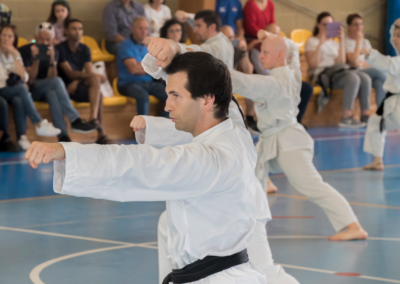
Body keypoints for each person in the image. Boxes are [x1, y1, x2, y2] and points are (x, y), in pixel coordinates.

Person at [25, 50, 267, 284]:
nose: (167, 106)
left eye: (176, 96)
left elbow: (139, 165)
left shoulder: (210, 160)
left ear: (206, 100)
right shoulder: (235, 131)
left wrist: (67, 152)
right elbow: (227, 96)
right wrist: (176, 51)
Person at [132, 39, 299, 283]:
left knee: (264, 268)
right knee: (168, 224)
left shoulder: (226, 111)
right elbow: (189, 128)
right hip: (216, 201)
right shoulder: (203, 109)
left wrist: (177, 50)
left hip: (240, 202)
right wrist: (152, 126)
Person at [230, 30, 368, 241]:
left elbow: (242, 82)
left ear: (279, 56)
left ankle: (353, 225)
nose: (261, 56)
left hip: (289, 143)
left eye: (266, 52)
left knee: (312, 185)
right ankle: (257, 225)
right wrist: (274, 37)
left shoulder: (273, 84)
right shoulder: (292, 70)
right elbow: (292, 49)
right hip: (276, 139)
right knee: (252, 177)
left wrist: (206, 65)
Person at [19, 22, 96, 142]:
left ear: (52, 39)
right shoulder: (24, 51)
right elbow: (30, 79)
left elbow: (51, 76)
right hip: (31, 89)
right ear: (35, 36)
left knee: (53, 94)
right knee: (57, 81)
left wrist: (52, 61)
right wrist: (37, 59)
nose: (44, 43)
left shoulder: (55, 51)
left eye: (48, 40)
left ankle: (63, 136)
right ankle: (74, 119)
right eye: (41, 39)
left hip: (47, 88)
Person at [305, 12, 371, 128]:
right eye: (324, 24)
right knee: (353, 78)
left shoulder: (334, 43)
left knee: (365, 78)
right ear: (318, 25)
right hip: (322, 73)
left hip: (337, 72)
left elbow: (341, 62)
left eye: (330, 25)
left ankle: (365, 115)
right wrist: (320, 42)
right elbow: (313, 64)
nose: (326, 27)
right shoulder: (311, 41)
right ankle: (346, 117)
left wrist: (340, 42)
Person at [0, 24, 60, 150]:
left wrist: (15, 55)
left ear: (14, 39)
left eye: (9, 36)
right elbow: (2, 80)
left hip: (9, 90)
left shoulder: (14, 53)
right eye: (3, 35)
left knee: (18, 99)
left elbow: (24, 77)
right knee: (21, 89)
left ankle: (22, 137)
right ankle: (38, 123)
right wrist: (17, 80)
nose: (6, 38)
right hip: (3, 88)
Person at [57, 19, 109, 144]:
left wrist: (77, 80)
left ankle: (94, 120)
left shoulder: (85, 49)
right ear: (66, 31)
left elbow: (89, 73)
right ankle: (100, 130)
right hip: (64, 88)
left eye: (80, 29)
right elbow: (69, 74)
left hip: (77, 86)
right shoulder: (60, 48)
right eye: (74, 28)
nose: (77, 32)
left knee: (96, 84)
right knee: (97, 87)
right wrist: (78, 79)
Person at [249, 23, 313, 125]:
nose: (275, 37)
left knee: (305, 88)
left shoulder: (285, 48)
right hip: (269, 82)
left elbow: (292, 64)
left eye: (277, 35)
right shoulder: (258, 50)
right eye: (272, 34)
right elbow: (262, 71)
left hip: (284, 81)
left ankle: (296, 120)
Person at [362, 19, 400, 171]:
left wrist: (371, 54)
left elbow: (388, 64)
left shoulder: (396, 61)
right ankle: (377, 160)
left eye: (399, 35)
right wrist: (396, 25)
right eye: (395, 34)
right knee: (375, 122)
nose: (395, 38)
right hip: (392, 101)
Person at [117, 16, 168, 117]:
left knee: (172, 95)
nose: (144, 31)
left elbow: (157, 67)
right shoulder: (125, 45)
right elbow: (133, 69)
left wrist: (142, 66)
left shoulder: (148, 47)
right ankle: (142, 130)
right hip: (129, 83)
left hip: (148, 82)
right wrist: (150, 67)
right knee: (143, 96)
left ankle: (158, 125)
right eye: (140, 28)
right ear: (132, 29)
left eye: (146, 28)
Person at [345, 13, 386, 107]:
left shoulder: (366, 42)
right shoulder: (345, 41)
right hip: (354, 72)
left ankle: (382, 114)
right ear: (349, 26)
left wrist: (362, 64)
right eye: (356, 24)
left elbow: (373, 63)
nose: (359, 27)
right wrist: (358, 43)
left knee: (379, 82)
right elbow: (354, 61)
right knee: (382, 73)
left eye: (361, 24)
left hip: (366, 70)